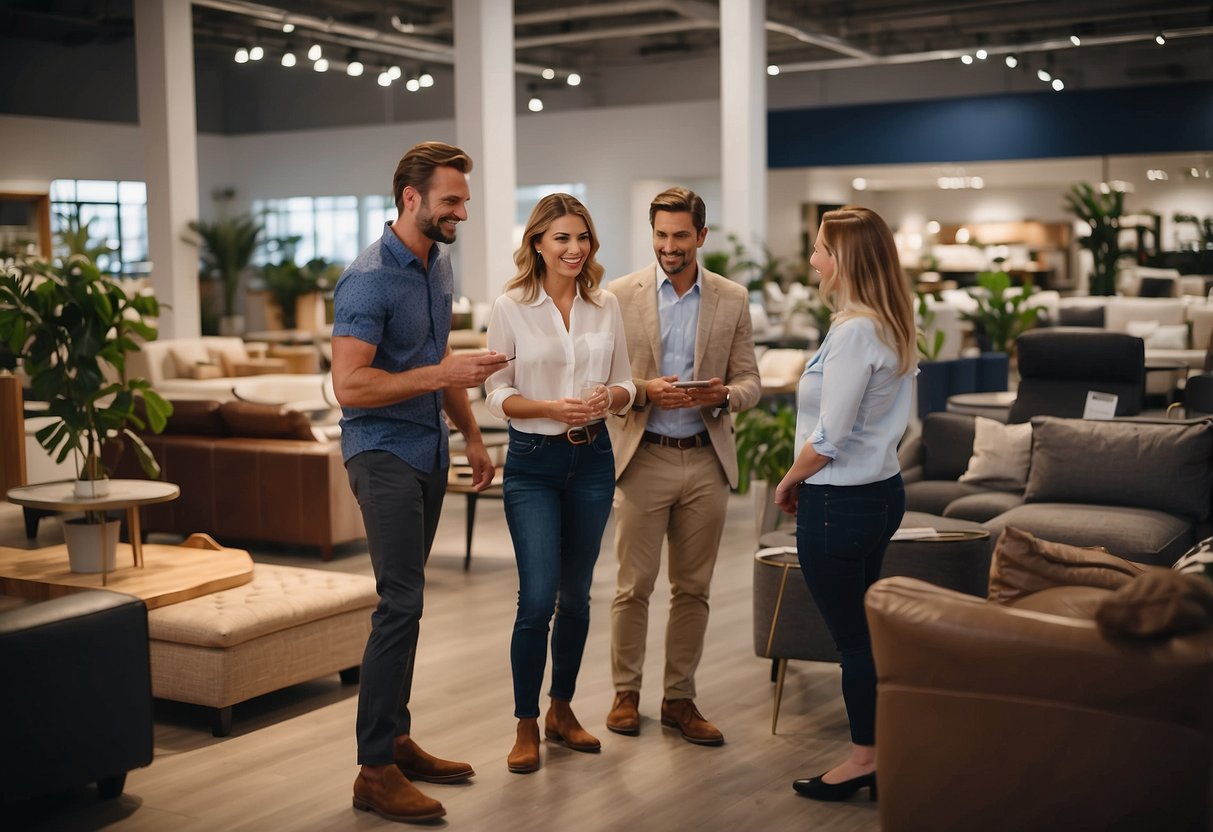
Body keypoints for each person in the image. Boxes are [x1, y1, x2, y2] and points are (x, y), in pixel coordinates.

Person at [331, 141, 508, 824]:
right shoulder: (368, 278)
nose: (462, 211)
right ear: (411, 198)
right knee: (398, 603)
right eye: (451, 201)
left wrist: (467, 431)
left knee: (410, 602)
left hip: (429, 450)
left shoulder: (437, 263)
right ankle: (374, 771)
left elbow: (435, 360)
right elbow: (349, 385)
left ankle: (396, 741)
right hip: (380, 453)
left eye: (463, 200)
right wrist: (443, 378)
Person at [484, 193, 636, 774]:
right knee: (538, 596)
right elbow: (495, 393)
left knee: (577, 595)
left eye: (583, 238)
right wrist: (548, 406)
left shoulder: (606, 305)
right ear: (538, 245)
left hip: (593, 459)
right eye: (562, 239)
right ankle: (525, 723)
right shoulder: (511, 306)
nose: (575, 250)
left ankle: (562, 710)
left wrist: (610, 397)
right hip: (533, 463)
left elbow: (625, 383)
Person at [604, 187, 760, 745]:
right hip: (644, 459)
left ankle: (679, 698)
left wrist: (720, 398)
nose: (669, 247)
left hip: (705, 462)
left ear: (701, 236)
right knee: (633, 586)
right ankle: (625, 693)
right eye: (661, 235)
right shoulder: (618, 296)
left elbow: (751, 382)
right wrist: (646, 391)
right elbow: (604, 383)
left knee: (692, 588)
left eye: (680, 236)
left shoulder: (731, 298)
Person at [773, 205, 918, 802]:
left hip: (839, 504)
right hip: (882, 494)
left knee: (853, 640)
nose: (812, 259)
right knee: (867, 633)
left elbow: (828, 439)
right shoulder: (889, 323)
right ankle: (884, 749)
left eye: (818, 249)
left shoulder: (856, 331)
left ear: (844, 259)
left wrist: (787, 482)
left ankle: (865, 758)